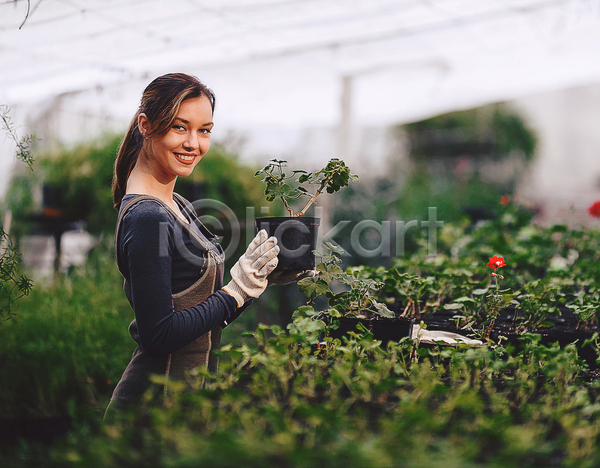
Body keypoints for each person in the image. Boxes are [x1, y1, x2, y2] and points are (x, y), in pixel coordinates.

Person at [106, 73, 285, 413]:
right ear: (145, 125)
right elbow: (159, 336)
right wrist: (234, 292)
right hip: (148, 415)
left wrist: (254, 283)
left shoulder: (179, 206)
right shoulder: (148, 216)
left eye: (204, 130)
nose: (194, 144)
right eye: (179, 127)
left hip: (186, 407)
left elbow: (203, 318)